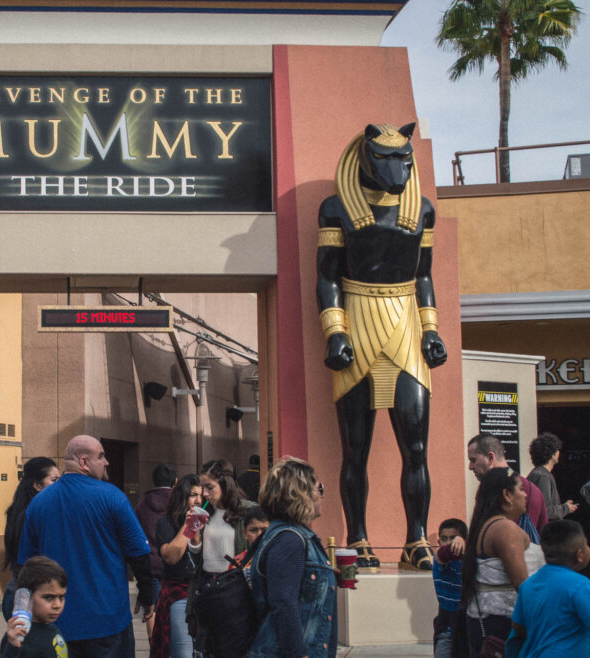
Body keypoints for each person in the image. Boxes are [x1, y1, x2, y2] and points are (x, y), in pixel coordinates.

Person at [316, 123, 448, 571]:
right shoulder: (336, 208)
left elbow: (424, 275)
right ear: (366, 157)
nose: (398, 169)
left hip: (406, 323)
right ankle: (358, 539)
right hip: (357, 318)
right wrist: (335, 332)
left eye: (404, 161)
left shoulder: (423, 210)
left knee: (416, 448)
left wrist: (431, 328)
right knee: (356, 449)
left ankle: (416, 540)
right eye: (387, 160)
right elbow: (327, 275)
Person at [19, 435, 154, 658]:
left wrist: (23, 613)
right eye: (101, 456)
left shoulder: (39, 503)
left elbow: (25, 567)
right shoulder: (113, 497)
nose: (106, 462)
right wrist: (148, 596)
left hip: (58, 625)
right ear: (84, 462)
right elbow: (139, 554)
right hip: (108, 622)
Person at [248, 457, 336, 658]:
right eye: (318, 489)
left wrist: (327, 577)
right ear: (301, 495)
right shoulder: (290, 539)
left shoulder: (292, 535)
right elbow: (283, 602)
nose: (322, 496)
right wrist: (298, 654)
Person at [461, 467, 544, 657]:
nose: (525, 495)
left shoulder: (490, 525)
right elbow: (522, 585)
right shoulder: (505, 529)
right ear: (507, 495)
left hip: (489, 621)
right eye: (521, 489)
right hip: (504, 624)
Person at [187, 458, 257, 655]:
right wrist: (194, 535)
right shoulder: (202, 513)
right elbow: (193, 558)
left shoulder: (247, 510)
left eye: (210, 487)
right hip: (206, 584)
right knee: (209, 646)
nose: (205, 494)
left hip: (234, 586)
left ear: (225, 484)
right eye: (202, 488)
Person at [506, 520, 590, 657]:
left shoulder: (528, 585)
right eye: (586, 544)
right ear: (579, 555)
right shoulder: (580, 586)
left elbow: (518, 628)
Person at [2, 457, 61, 621]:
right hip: (27, 600)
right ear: (37, 485)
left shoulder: (18, 512)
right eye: (54, 480)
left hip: (19, 595)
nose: (60, 485)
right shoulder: (33, 516)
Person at [152, 474, 202, 658]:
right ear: (182, 496)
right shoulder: (166, 523)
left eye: (201, 495)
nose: (198, 500)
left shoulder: (208, 521)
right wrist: (189, 526)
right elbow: (171, 557)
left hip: (203, 593)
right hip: (178, 593)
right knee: (183, 652)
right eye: (193, 495)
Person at [467, 433, 548, 537]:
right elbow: (545, 537)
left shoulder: (490, 489)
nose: (470, 467)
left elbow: (479, 534)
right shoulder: (535, 490)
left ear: (491, 457)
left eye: (473, 460)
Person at [134, 462, 175, 639]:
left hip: (150, 562)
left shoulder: (143, 504)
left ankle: (154, 647)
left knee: (151, 609)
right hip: (173, 562)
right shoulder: (178, 501)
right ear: (175, 481)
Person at [2, 556, 69, 658]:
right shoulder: (19, 635)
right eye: (49, 597)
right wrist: (13, 646)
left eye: (61, 597)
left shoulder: (52, 629)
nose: (57, 605)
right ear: (27, 596)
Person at [432, 518, 466, 658]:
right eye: (444, 539)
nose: (448, 543)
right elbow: (443, 555)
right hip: (446, 625)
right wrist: (460, 542)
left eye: (453, 538)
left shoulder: (467, 559)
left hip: (464, 623)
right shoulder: (439, 559)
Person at [527, 432, 578, 521]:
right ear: (552, 454)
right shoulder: (543, 476)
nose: (559, 452)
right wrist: (566, 508)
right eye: (557, 449)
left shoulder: (538, 474)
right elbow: (546, 511)